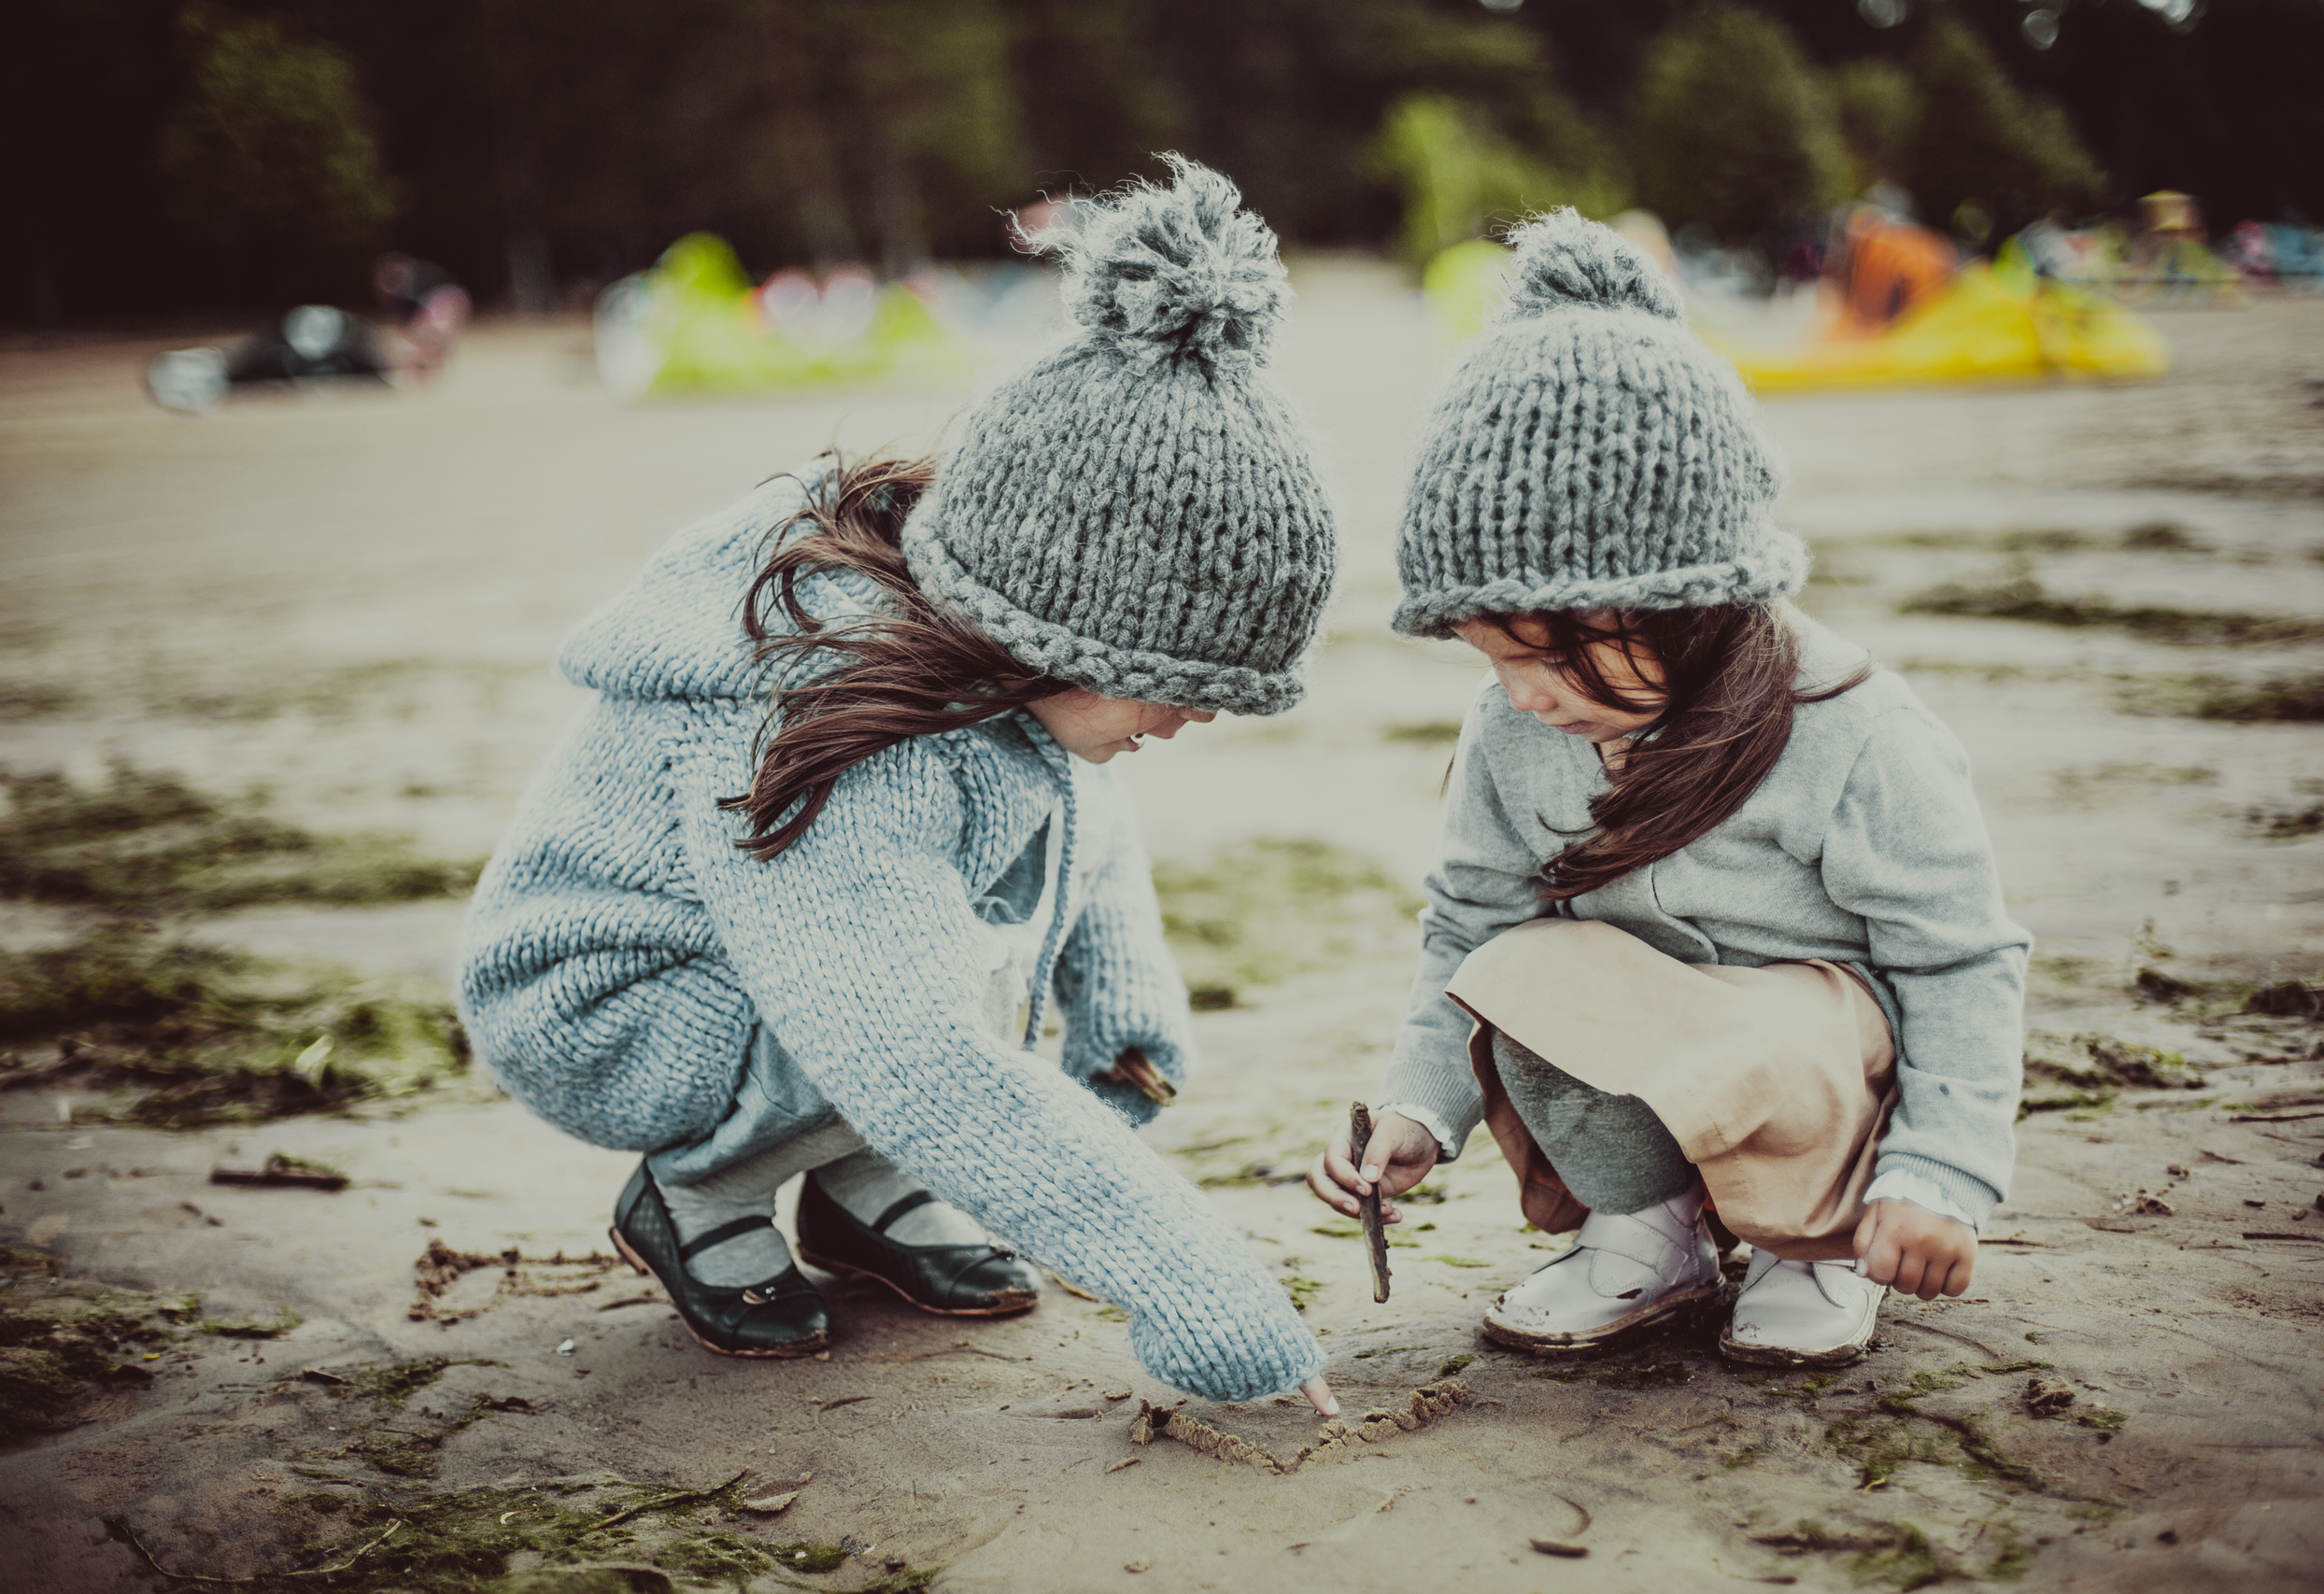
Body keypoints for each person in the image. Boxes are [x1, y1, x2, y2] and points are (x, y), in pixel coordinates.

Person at [460, 159, 1340, 1412]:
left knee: (956, 956)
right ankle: (697, 1189)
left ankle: (858, 1183)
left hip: (780, 963)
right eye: (1171, 682)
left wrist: (1124, 986)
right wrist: (1208, 1295)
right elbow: (913, 1048)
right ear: (1056, 626)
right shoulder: (835, 729)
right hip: (612, 1002)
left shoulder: (1005, 665)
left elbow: (1079, 802)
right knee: (939, 993)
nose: (1191, 716)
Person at [1307, 212, 2029, 1369]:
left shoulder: (1852, 728)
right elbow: (1469, 922)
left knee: (1772, 1028)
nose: (1524, 694)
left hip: (1817, 1078)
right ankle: (1646, 1229)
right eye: (1493, 658)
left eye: (1557, 654)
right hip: (1644, 1067)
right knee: (1521, 968)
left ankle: (1814, 1246)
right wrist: (1417, 1109)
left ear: (1690, 605)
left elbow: (1957, 961)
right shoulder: (1516, 728)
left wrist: (1940, 1173)